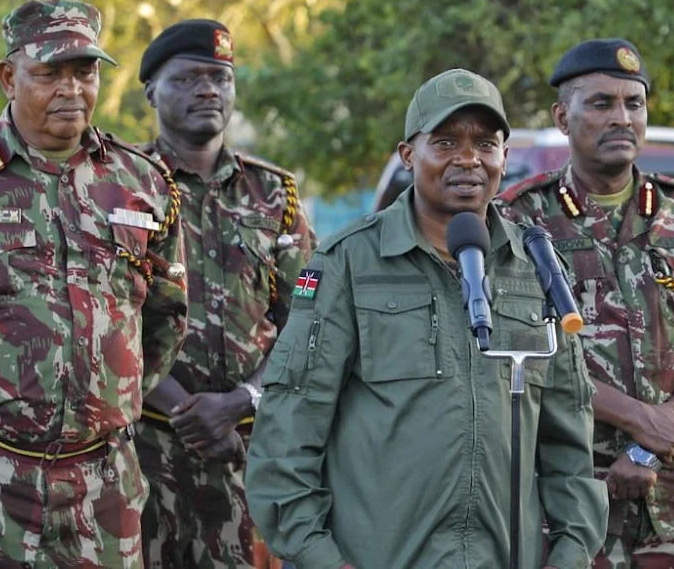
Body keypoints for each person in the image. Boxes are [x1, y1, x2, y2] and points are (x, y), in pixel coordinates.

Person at [245, 68, 608, 569]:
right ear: (408, 155)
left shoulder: (535, 266)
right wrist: (319, 556)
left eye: (485, 142)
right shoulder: (350, 262)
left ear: (504, 155)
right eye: (445, 142)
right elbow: (289, 429)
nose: (468, 159)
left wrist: (569, 552)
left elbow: (569, 440)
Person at [0, 0, 188, 567]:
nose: (71, 89)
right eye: (49, 73)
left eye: (85, 71)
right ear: (9, 76)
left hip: (102, 486)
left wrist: (102, 403)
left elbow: (167, 315)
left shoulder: (141, 182)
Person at [497, 39, 674, 568]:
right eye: (600, 103)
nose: (621, 117)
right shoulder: (519, 218)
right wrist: (643, 419)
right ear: (562, 116)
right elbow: (521, 350)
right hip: (565, 499)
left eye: (632, 104)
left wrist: (651, 443)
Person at [134, 19, 315, 568]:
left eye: (220, 78)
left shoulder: (274, 194)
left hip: (249, 453)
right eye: (187, 79)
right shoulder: (122, 184)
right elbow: (104, 315)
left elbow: (308, 312)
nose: (208, 90)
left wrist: (242, 402)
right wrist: (188, 411)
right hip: (145, 449)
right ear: (151, 93)